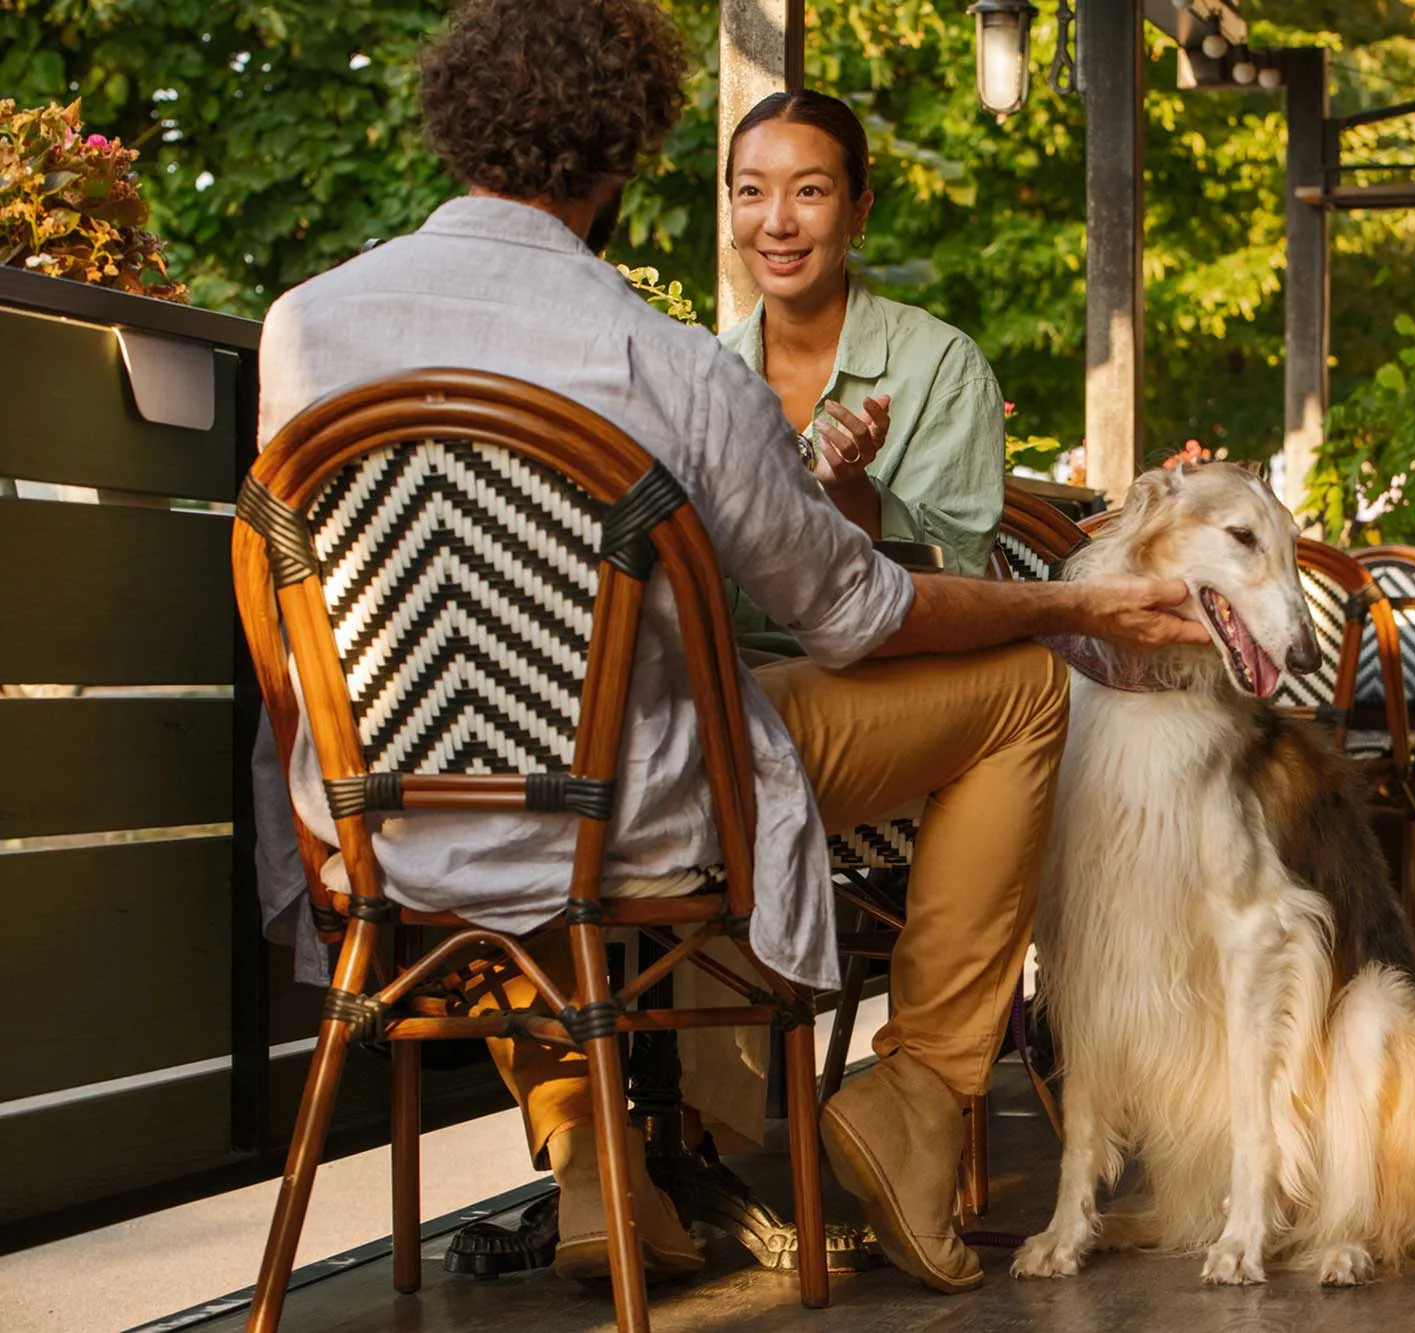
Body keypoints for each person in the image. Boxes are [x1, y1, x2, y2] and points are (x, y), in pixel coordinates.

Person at [252, 0, 1206, 1297]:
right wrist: (1076, 608)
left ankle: (594, 1147)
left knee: (547, 779)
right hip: (630, 821)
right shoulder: (674, 362)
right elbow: (857, 613)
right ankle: (919, 1091)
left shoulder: (302, 327)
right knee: (1024, 692)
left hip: (377, 817)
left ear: (455, 124)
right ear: (627, 154)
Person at [719, 90, 1003, 582]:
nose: (778, 222)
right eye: (752, 191)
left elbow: (958, 582)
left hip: (882, 661)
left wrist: (851, 491)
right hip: (718, 660)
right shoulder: (704, 373)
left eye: (809, 191)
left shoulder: (944, 369)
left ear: (859, 212)